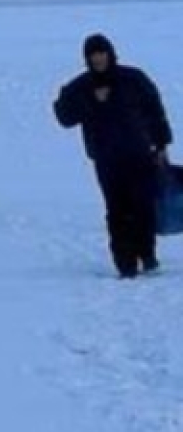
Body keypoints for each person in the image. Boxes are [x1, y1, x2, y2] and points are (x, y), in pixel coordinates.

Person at [55, 34, 173, 279]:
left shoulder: (133, 78)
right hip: (107, 159)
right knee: (117, 210)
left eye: (101, 53)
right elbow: (64, 116)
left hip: (141, 155)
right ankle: (125, 263)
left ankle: (147, 255)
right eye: (92, 55)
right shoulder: (82, 86)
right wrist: (90, 101)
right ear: (87, 58)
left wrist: (161, 143)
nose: (98, 58)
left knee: (143, 207)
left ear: (110, 53)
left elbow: (155, 110)